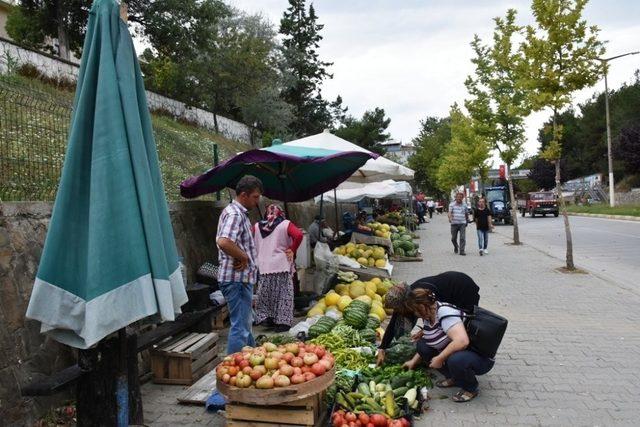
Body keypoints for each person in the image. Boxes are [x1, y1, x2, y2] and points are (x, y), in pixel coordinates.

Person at [381, 283, 492, 403]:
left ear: (423, 306)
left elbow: (462, 341)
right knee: (422, 346)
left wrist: (440, 358)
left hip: (478, 357)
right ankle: (454, 378)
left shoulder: (444, 312)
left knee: (455, 360)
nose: (415, 315)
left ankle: (470, 388)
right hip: (461, 352)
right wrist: (413, 361)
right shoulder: (429, 315)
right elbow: (429, 342)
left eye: (415, 311)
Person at [378, 272, 480, 355]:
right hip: (451, 289)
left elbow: (437, 319)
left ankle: (464, 354)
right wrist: (383, 347)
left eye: (397, 309)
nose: (397, 311)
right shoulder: (406, 298)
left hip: (463, 289)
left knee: (462, 324)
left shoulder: (424, 295)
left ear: (403, 303)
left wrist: (424, 332)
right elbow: (393, 323)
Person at [216, 175, 262, 354]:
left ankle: (252, 358)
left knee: (245, 323)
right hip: (236, 279)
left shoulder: (235, 212)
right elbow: (224, 241)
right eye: (255, 197)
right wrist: (243, 257)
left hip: (240, 279)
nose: (257, 201)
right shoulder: (235, 214)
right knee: (240, 327)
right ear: (244, 195)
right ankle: (233, 368)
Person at [253, 204, 303, 332]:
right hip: (281, 265)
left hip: (264, 266)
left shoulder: (257, 226)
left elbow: (247, 239)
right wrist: (292, 249)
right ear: (279, 213)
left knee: (266, 294)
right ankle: (283, 323)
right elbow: (298, 235)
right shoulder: (285, 224)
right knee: (283, 295)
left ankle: (267, 319)